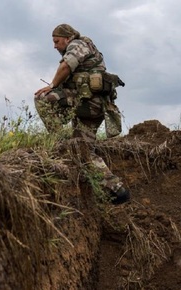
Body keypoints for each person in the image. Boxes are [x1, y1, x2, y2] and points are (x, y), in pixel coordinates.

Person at [34, 23, 130, 204]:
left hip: (88, 104)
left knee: (42, 98)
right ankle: (117, 191)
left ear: (68, 38)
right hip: (93, 107)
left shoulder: (77, 45)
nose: (54, 46)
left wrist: (53, 85)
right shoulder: (87, 47)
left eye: (57, 41)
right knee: (82, 151)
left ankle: (58, 140)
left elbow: (65, 67)